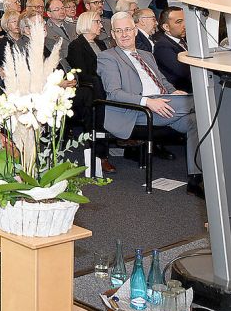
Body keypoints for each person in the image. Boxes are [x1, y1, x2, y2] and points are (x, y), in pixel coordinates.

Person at [96, 12, 203, 196]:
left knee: (197, 122)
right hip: (136, 111)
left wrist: (173, 92)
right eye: (118, 31)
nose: (124, 34)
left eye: (128, 29)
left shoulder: (146, 55)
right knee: (204, 101)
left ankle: (195, 179)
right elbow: (114, 94)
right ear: (112, 34)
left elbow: (161, 81)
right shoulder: (108, 57)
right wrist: (148, 102)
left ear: (135, 30)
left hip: (164, 106)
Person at [66, 11, 114, 174]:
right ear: (87, 23)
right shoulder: (76, 45)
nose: (101, 25)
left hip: (104, 84)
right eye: (98, 22)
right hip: (90, 88)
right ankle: (101, 155)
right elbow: (82, 73)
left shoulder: (100, 44)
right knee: (99, 101)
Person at [153, 7, 192, 93]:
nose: (185, 25)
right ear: (166, 27)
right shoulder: (162, 46)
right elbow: (183, 72)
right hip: (183, 93)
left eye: (185, 20)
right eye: (179, 22)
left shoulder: (184, 40)